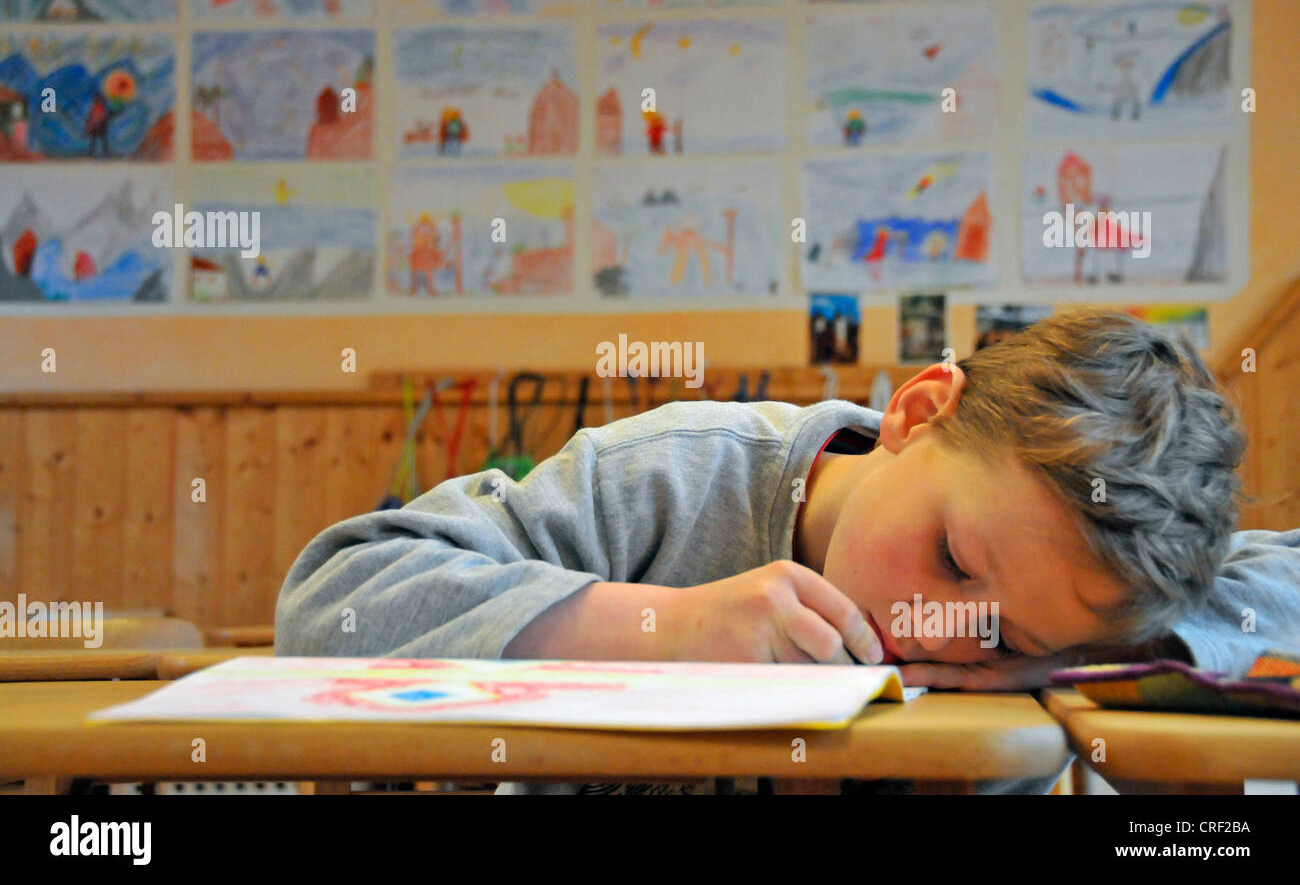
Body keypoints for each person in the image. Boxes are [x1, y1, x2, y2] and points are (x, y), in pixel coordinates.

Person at [276, 308, 1300, 793]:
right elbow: (334, 598)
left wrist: (1099, 646)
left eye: (1001, 635)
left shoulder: (1094, 594)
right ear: (914, 410)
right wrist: (658, 627)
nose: (933, 630)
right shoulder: (674, 476)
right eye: (948, 557)